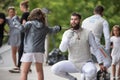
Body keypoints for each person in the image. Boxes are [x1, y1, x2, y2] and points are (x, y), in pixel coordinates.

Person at [51, 12, 105, 80]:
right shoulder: (67, 33)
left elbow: (95, 49)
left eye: (75, 19)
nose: (73, 21)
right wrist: (67, 38)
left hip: (86, 62)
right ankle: (72, 79)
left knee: (92, 71)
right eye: (72, 19)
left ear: (80, 20)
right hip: (72, 63)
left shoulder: (88, 32)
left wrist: (100, 63)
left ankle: (86, 75)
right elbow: (62, 49)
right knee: (54, 69)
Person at [12, 8, 61, 80]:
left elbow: (21, 29)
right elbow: (52, 30)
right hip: (39, 51)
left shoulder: (29, 24)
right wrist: (58, 27)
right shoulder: (44, 27)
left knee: (24, 72)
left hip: (29, 50)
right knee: (39, 71)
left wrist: (15, 19)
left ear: (32, 15)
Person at [81, 5, 111, 70]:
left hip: (83, 45)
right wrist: (107, 51)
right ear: (102, 12)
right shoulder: (103, 21)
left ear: (94, 12)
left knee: (85, 64)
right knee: (108, 62)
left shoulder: (85, 20)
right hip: (95, 45)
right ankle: (99, 75)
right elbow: (107, 37)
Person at [11, 0, 30, 73]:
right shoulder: (30, 13)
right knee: (25, 50)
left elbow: (23, 24)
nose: (20, 8)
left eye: (20, 7)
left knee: (21, 50)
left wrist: (16, 22)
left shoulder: (24, 14)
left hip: (24, 34)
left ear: (23, 7)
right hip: (28, 34)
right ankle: (24, 67)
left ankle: (19, 67)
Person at [6, 6, 21, 72]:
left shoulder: (18, 17)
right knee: (13, 52)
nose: (11, 13)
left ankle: (20, 65)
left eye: (13, 12)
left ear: (15, 12)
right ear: (8, 13)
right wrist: (6, 32)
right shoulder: (7, 19)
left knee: (20, 51)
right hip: (12, 35)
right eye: (10, 12)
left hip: (19, 35)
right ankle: (15, 65)